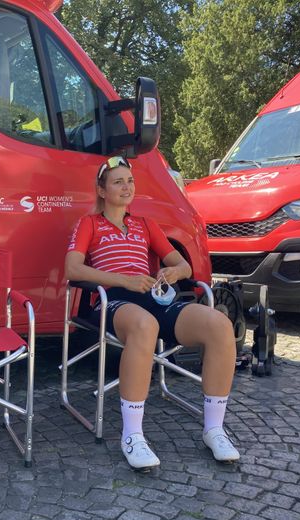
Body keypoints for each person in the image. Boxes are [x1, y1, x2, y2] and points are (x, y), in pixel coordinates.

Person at [65, 155, 240, 470]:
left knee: (220, 325)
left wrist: (173, 273)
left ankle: (214, 429)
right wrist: (124, 280)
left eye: (129, 181)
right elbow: (72, 268)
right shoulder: (89, 224)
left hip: (154, 297)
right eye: (118, 182)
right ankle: (132, 435)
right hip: (113, 299)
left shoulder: (145, 224)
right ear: (102, 190)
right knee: (145, 326)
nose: (126, 187)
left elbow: (183, 265)